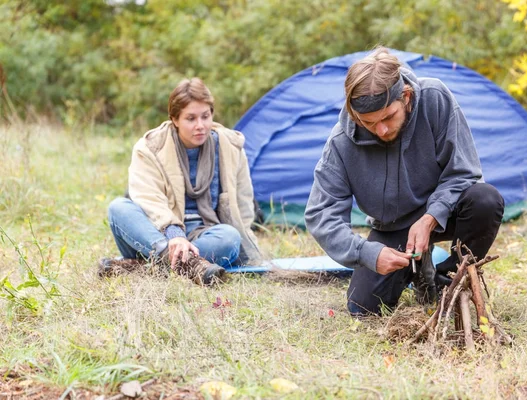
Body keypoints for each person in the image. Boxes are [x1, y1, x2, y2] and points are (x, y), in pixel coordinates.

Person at [305, 48, 504, 315]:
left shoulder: (435, 99)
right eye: (368, 123)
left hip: (449, 210)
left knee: (485, 200)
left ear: (406, 96)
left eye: (388, 117)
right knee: (362, 308)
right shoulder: (341, 142)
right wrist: (369, 254)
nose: (381, 130)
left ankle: (449, 282)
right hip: (393, 228)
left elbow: (464, 172)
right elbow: (321, 215)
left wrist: (431, 217)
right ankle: (419, 268)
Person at [100, 78, 263, 284]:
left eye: (206, 116)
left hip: (204, 233)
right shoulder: (150, 147)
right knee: (118, 208)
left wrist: (247, 244)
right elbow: (147, 199)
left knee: (230, 237)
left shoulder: (230, 146)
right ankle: (185, 262)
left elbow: (243, 202)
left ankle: (146, 267)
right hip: (155, 233)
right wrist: (175, 236)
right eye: (191, 118)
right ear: (174, 119)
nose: (200, 126)